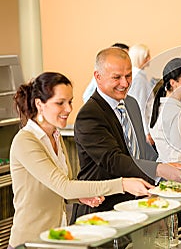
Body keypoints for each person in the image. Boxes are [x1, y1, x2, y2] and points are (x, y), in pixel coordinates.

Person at [8, 72, 153, 248]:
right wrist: (122, 184)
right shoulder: (25, 141)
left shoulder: (55, 135)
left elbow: (60, 189)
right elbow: (64, 187)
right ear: (39, 104)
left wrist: (80, 198)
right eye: (60, 103)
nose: (68, 109)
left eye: (70, 101)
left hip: (58, 238)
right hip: (30, 243)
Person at [71, 47, 181, 223]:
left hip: (134, 207)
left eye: (128, 76)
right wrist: (159, 169)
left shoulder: (131, 104)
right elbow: (114, 160)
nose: (125, 83)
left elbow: (142, 152)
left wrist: (168, 181)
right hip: (101, 211)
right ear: (98, 77)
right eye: (117, 77)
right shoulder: (90, 114)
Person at [150, 58, 181, 169]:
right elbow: (178, 158)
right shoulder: (176, 113)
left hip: (165, 171)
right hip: (177, 176)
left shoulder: (161, 107)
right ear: (173, 83)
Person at [127, 44, 155, 146]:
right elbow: (141, 106)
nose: (149, 59)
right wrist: (147, 132)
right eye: (146, 56)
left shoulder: (138, 76)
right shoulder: (138, 78)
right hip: (143, 129)